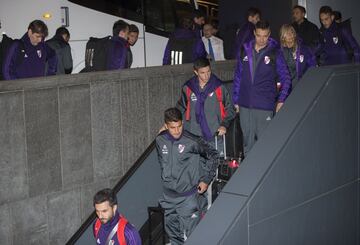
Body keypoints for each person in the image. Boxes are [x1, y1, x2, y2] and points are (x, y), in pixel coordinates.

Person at [156, 107, 219, 245]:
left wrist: (206, 180)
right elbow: (163, 163)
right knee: (174, 237)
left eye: (179, 126)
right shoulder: (160, 140)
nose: (177, 131)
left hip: (188, 198)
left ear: (182, 123)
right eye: (172, 128)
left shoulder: (192, 140)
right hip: (168, 198)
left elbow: (214, 156)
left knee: (194, 237)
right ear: (166, 126)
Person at [232, 21, 291, 156]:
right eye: (259, 35)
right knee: (247, 144)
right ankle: (250, 175)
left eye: (265, 36)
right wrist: (236, 100)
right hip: (245, 104)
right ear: (254, 33)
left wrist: (281, 100)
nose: (262, 39)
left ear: (269, 34)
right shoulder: (244, 49)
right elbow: (238, 76)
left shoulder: (275, 52)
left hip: (264, 105)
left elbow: (286, 78)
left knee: (265, 144)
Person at [176, 58, 235, 147]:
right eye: (202, 73)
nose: (206, 76)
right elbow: (180, 107)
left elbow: (230, 108)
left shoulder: (219, 87)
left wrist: (224, 125)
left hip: (215, 134)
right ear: (196, 72)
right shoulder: (188, 88)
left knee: (215, 160)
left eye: (208, 72)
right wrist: (169, 123)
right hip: (194, 134)